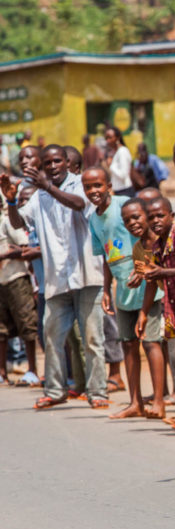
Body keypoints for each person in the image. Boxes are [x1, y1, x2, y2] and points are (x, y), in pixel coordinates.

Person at [1, 144, 109, 409]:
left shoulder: (78, 185)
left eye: (56, 162)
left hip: (87, 275)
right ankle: (56, 389)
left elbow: (79, 204)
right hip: (57, 280)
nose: (51, 167)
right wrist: (12, 200)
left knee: (93, 338)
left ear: (66, 162)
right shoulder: (39, 196)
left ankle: (98, 392)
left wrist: (47, 186)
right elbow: (18, 223)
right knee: (51, 336)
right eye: (47, 163)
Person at [100, 196, 165, 419]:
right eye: (127, 221)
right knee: (128, 344)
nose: (133, 223)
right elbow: (147, 278)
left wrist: (145, 312)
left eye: (136, 217)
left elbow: (155, 276)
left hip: (160, 300)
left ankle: (158, 401)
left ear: (147, 215)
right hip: (129, 299)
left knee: (151, 343)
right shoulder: (139, 247)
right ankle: (135, 402)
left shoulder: (160, 240)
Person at [137, 197, 175, 421]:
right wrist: (143, 312)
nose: (156, 220)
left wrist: (160, 272)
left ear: (171, 215)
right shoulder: (159, 243)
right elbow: (153, 278)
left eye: (160, 215)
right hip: (174, 309)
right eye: (151, 217)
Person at [0, 188, 38, 385]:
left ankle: (32, 370)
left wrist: (4, 255)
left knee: (27, 325)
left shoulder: (7, 222)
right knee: (2, 329)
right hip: (1, 282)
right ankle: (2, 373)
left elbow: (24, 248)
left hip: (16, 278)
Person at [103, 127, 133, 198]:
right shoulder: (117, 152)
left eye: (110, 138)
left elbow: (123, 175)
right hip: (118, 191)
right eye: (106, 138)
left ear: (117, 138)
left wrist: (111, 166)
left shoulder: (122, 151)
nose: (107, 141)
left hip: (124, 191)